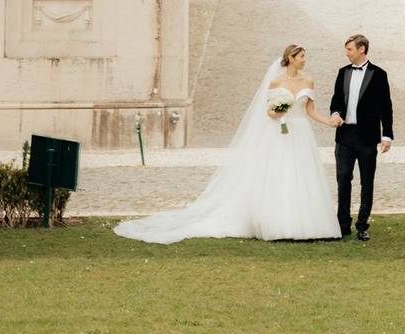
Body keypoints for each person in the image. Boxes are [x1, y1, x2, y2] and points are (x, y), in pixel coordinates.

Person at [114, 45, 341, 244]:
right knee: (280, 175)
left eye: (304, 56)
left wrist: (329, 122)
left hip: (300, 133)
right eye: (301, 56)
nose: (304, 59)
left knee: (302, 175)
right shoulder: (276, 82)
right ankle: (278, 224)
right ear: (291, 58)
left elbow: (310, 111)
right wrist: (280, 111)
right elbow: (269, 112)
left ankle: (308, 223)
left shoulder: (308, 81)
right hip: (280, 133)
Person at [329, 34, 394, 241]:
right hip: (345, 136)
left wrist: (387, 136)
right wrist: (335, 113)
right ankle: (343, 224)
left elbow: (386, 108)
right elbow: (336, 99)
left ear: (362, 49)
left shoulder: (379, 74)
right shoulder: (343, 72)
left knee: (367, 182)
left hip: (367, 137)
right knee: (343, 179)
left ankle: (362, 226)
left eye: (349, 49)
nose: (346, 53)